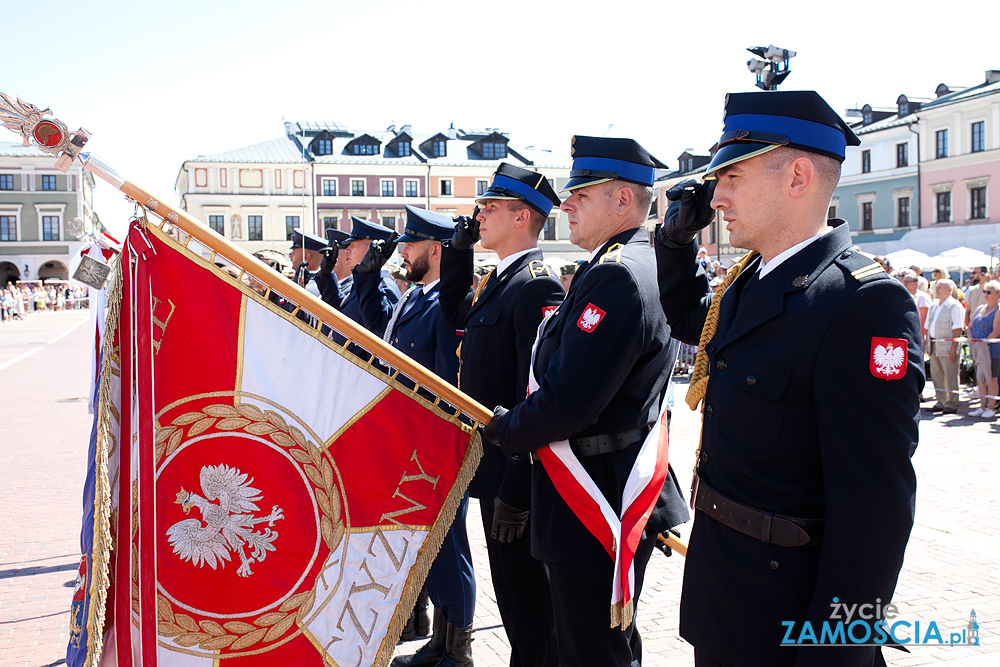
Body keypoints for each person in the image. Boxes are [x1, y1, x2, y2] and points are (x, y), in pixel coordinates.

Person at [655, 90, 922, 667]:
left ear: (798, 175)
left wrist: (837, 647)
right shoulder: (748, 283)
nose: (716, 195)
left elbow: (876, 507)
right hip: (725, 590)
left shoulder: (863, 303)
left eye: (732, 176)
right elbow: (693, 324)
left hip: (791, 618)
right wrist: (674, 246)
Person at [483, 135, 689, 667]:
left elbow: (569, 401)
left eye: (582, 192)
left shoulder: (616, 275)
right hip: (602, 478)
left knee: (591, 648)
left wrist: (504, 430)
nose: (566, 202)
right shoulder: (626, 264)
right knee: (607, 640)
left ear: (624, 201)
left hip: (594, 489)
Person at [437, 163, 564, 667]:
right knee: (513, 602)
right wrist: (459, 251)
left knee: (531, 608)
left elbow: (528, 395)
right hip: (492, 469)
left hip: (518, 480)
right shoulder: (499, 280)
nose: (480, 215)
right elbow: (455, 315)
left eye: (490, 209)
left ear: (521, 218)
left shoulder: (536, 286)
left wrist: (514, 487)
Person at [361, 207, 470, 667]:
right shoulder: (415, 298)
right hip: (411, 438)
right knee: (431, 544)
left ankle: (458, 646)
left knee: (450, 545)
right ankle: (440, 641)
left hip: (438, 440)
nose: (402, 252)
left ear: (436, 248)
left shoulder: (445, 303)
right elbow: (374, 326)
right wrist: (367, 276)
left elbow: (452, 377)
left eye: (411, 244)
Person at [338, 216, 401, 330]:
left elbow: (381, 329)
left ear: (373, 247)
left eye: (353, 245)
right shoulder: (364, 282)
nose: (347, 250)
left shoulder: (386, 287)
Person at [925, 278, 964, 414]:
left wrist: (954, 348)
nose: (937, 289)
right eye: (936, 287)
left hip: (948, 347)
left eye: (940, 287)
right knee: (936, 375)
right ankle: (941, 401)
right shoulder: (934, 305)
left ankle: (952, 403)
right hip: (935, 345)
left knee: (951, 375)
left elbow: (958, 329)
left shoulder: (955, 306)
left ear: (949, 290)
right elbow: (928, 326)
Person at [968, 280, 1000, 418]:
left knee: (991, 378)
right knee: (980, 378)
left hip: (992, 350)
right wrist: (972, 341)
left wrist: (982, 344)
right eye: (984, 292)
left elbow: (995, 331)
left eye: (989, 292)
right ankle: (982, 406)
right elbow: (969, 326)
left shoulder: (998, 311)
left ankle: (991, 407)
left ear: (997, 295)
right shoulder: (980, 308)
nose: (986, 295)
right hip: (978, 350)